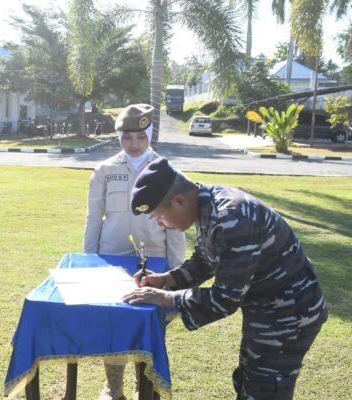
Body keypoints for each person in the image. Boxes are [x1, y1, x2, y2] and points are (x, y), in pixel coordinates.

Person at [123, 157, 327, 400]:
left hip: (290, 315)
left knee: (266, 390)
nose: (161, 225)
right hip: (267, 309)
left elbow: (224, 299)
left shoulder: (232, 217)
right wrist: (166, 279)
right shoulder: (207, 205)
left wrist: (165, 298)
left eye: (158, 217)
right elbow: (205, 259)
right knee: (248, 380)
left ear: (179, 201)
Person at [83, 104, 186, 400]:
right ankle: (113, 386)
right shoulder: (105, 170)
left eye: (141, 136)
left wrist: (176, 273)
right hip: (112, 260)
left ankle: (147, 386)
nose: (134, 144)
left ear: (149, 135)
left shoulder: (167, 171)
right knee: (114, 325)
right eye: (127, 137)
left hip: (155, 263)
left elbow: (176, 227)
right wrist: (89, 261)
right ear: (119, 137)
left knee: (151, 326)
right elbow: (94, 218)